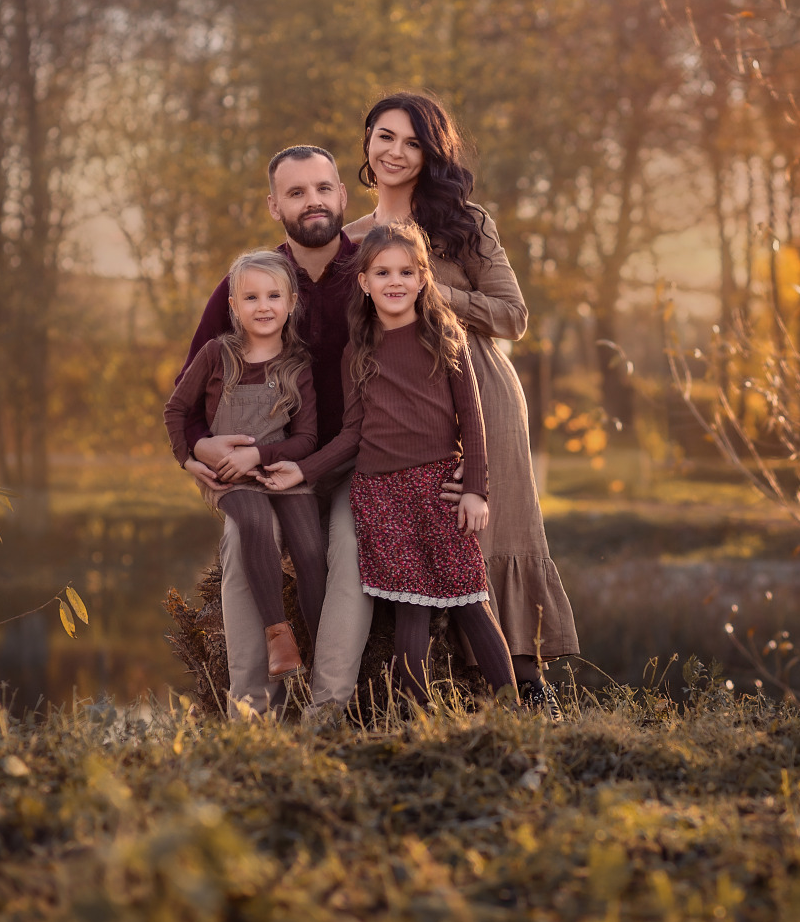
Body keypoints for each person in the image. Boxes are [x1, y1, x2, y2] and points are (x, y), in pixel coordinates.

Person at [342, 92, 578, 715]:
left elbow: (513, 316)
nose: (396, 152)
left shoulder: (464, 222)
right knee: (429, 549)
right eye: (385, 136)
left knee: (493, 531)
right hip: (398, 413)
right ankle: (421, 702)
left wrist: (434, 290)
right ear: (366, 141)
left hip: (478, 390)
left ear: (430, 153)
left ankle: (528, 693)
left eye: (413, 142)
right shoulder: (351, 242)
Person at [262, 221, 517, 706]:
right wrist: (304, 470)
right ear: (364, 282)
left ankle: (519, 716)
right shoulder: (358, 349)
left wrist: (476, 490)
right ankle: (412, 723)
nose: (394, 281)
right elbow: (353, 433)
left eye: (406, 271)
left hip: (439, 487)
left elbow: (473, 421)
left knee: (471, 604)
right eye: (382, 272)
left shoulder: (445, 336)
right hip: (381, 496)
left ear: (423, 279)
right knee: (411, 613)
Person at [178, 146, 371, 716]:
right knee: (243, 543)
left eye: (322, 188)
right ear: (274, 205)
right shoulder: (247, 283)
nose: (312, 201)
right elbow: (190, 391)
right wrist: (196, 449)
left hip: (354, 462)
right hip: (266, 466)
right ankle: (253, 711)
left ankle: (327, 708)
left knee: (352, 548)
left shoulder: (371, 273)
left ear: (341, 196)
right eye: (295, 192)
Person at [164, 250, 326, 683]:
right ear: (233, 306)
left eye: (274, 296)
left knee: (311, 550)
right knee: (254, 522)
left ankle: (323, 652)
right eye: (251, 298)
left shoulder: (297, 365)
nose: (264, 306)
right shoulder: (217, 355)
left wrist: (261, 455)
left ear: (291, 302)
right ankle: (279, 637)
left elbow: (307, 439)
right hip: (231, 477)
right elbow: (176, 410)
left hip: (281, 471)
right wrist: (188, 458)